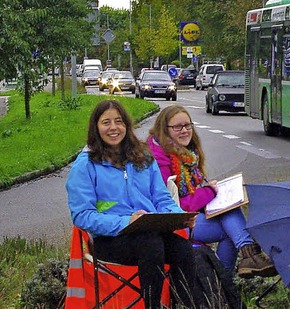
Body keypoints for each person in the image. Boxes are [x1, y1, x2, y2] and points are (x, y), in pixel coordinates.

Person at [66, 100, 197, 309]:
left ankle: (184, 305)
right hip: (109, 240)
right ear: (96, 127)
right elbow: (82, 215)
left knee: (184, 249)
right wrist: (126, 221)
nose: (113, 128)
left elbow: (162, 198)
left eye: (119, 121)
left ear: (126, 125)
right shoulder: (86, 164)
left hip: (150, 232)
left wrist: (179, 215)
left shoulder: (144, 156)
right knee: (151, 245)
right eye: (106, 122)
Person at [147, 105, 277, 279]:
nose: (184, 130)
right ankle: (231, 275)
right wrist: (209, 192)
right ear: (165, 130)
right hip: (173, 224)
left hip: (190, 217)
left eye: (188, 125)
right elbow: (176, 203)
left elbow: (193, 195)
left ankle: (231, 274)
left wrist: (211, 192)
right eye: (177, 127)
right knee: (229, 231)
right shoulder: (159, 160)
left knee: (230, 210)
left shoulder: (188, 155)